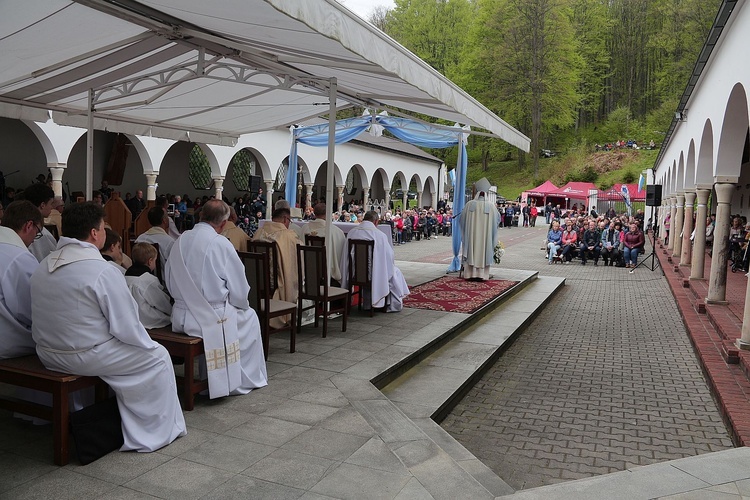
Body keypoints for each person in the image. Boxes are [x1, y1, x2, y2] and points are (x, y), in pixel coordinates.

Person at [31, 202, 186, 451]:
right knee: (158, 357)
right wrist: (149, 344)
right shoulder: (102, 271)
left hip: (47, 352)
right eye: (103, 228)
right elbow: (126, 327)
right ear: (94, 233)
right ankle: (152, 432)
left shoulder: (43, 265)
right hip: (84, 355)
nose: (104, 232)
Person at [165, 199, 267, 398]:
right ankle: (240, 380)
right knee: (250, 317)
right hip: (210, 316)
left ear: (201, 215)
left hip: (180, 316)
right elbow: (239, 289)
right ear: (223, 224)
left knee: (240, 316)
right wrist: (240, 304)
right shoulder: (219, 243)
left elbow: (168, 279)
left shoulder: (180, 240)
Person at [340, 210, 410, 311]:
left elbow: (346, 256)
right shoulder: (379, 235)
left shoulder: (352, 233)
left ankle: (368, 304)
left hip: (354, 273)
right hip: (374, 274)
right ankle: (390, 304)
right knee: (395, 272)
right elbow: (389, 257)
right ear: (376, 222)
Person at [0, 201, 42, 359]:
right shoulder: (19, 258)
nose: (34, 240)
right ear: (28, 225)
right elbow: (33, 310)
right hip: (9, 343)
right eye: (37, 233)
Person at [252, 206, 302, 325]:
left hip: (258, 280)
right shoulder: (287, 235)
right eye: (289, 221)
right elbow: (298, 257)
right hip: (277, 282)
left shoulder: (259, 232)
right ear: (285, 219)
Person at [456, 179, 500, 280]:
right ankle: (482, 275)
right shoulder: (491, 206)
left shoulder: (469, 205)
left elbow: (462, 220)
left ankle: (470, 274)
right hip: (485, 237)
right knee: (483, 250)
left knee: (471, 249)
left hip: (472, 236)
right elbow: (497, 220)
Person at [125, 243, 172, 329]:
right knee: (170, 319)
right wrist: (172, 311)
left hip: (129, 318)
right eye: (155, 260)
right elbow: (160, 302)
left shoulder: (125, 276)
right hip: (146, 319)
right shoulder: (148, 279)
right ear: (150, 261)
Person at [302, 202, 346, 285]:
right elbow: (340, 256)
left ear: (314, 213)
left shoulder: (304, 229)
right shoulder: (335, 232)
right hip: (329, 278)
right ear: (328, 213)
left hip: (308, 276)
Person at [20, 183, 57, 262]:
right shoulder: (41, 233)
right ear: (42, 205)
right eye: (51, 203)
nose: (52, 207)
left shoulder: (18, 223)